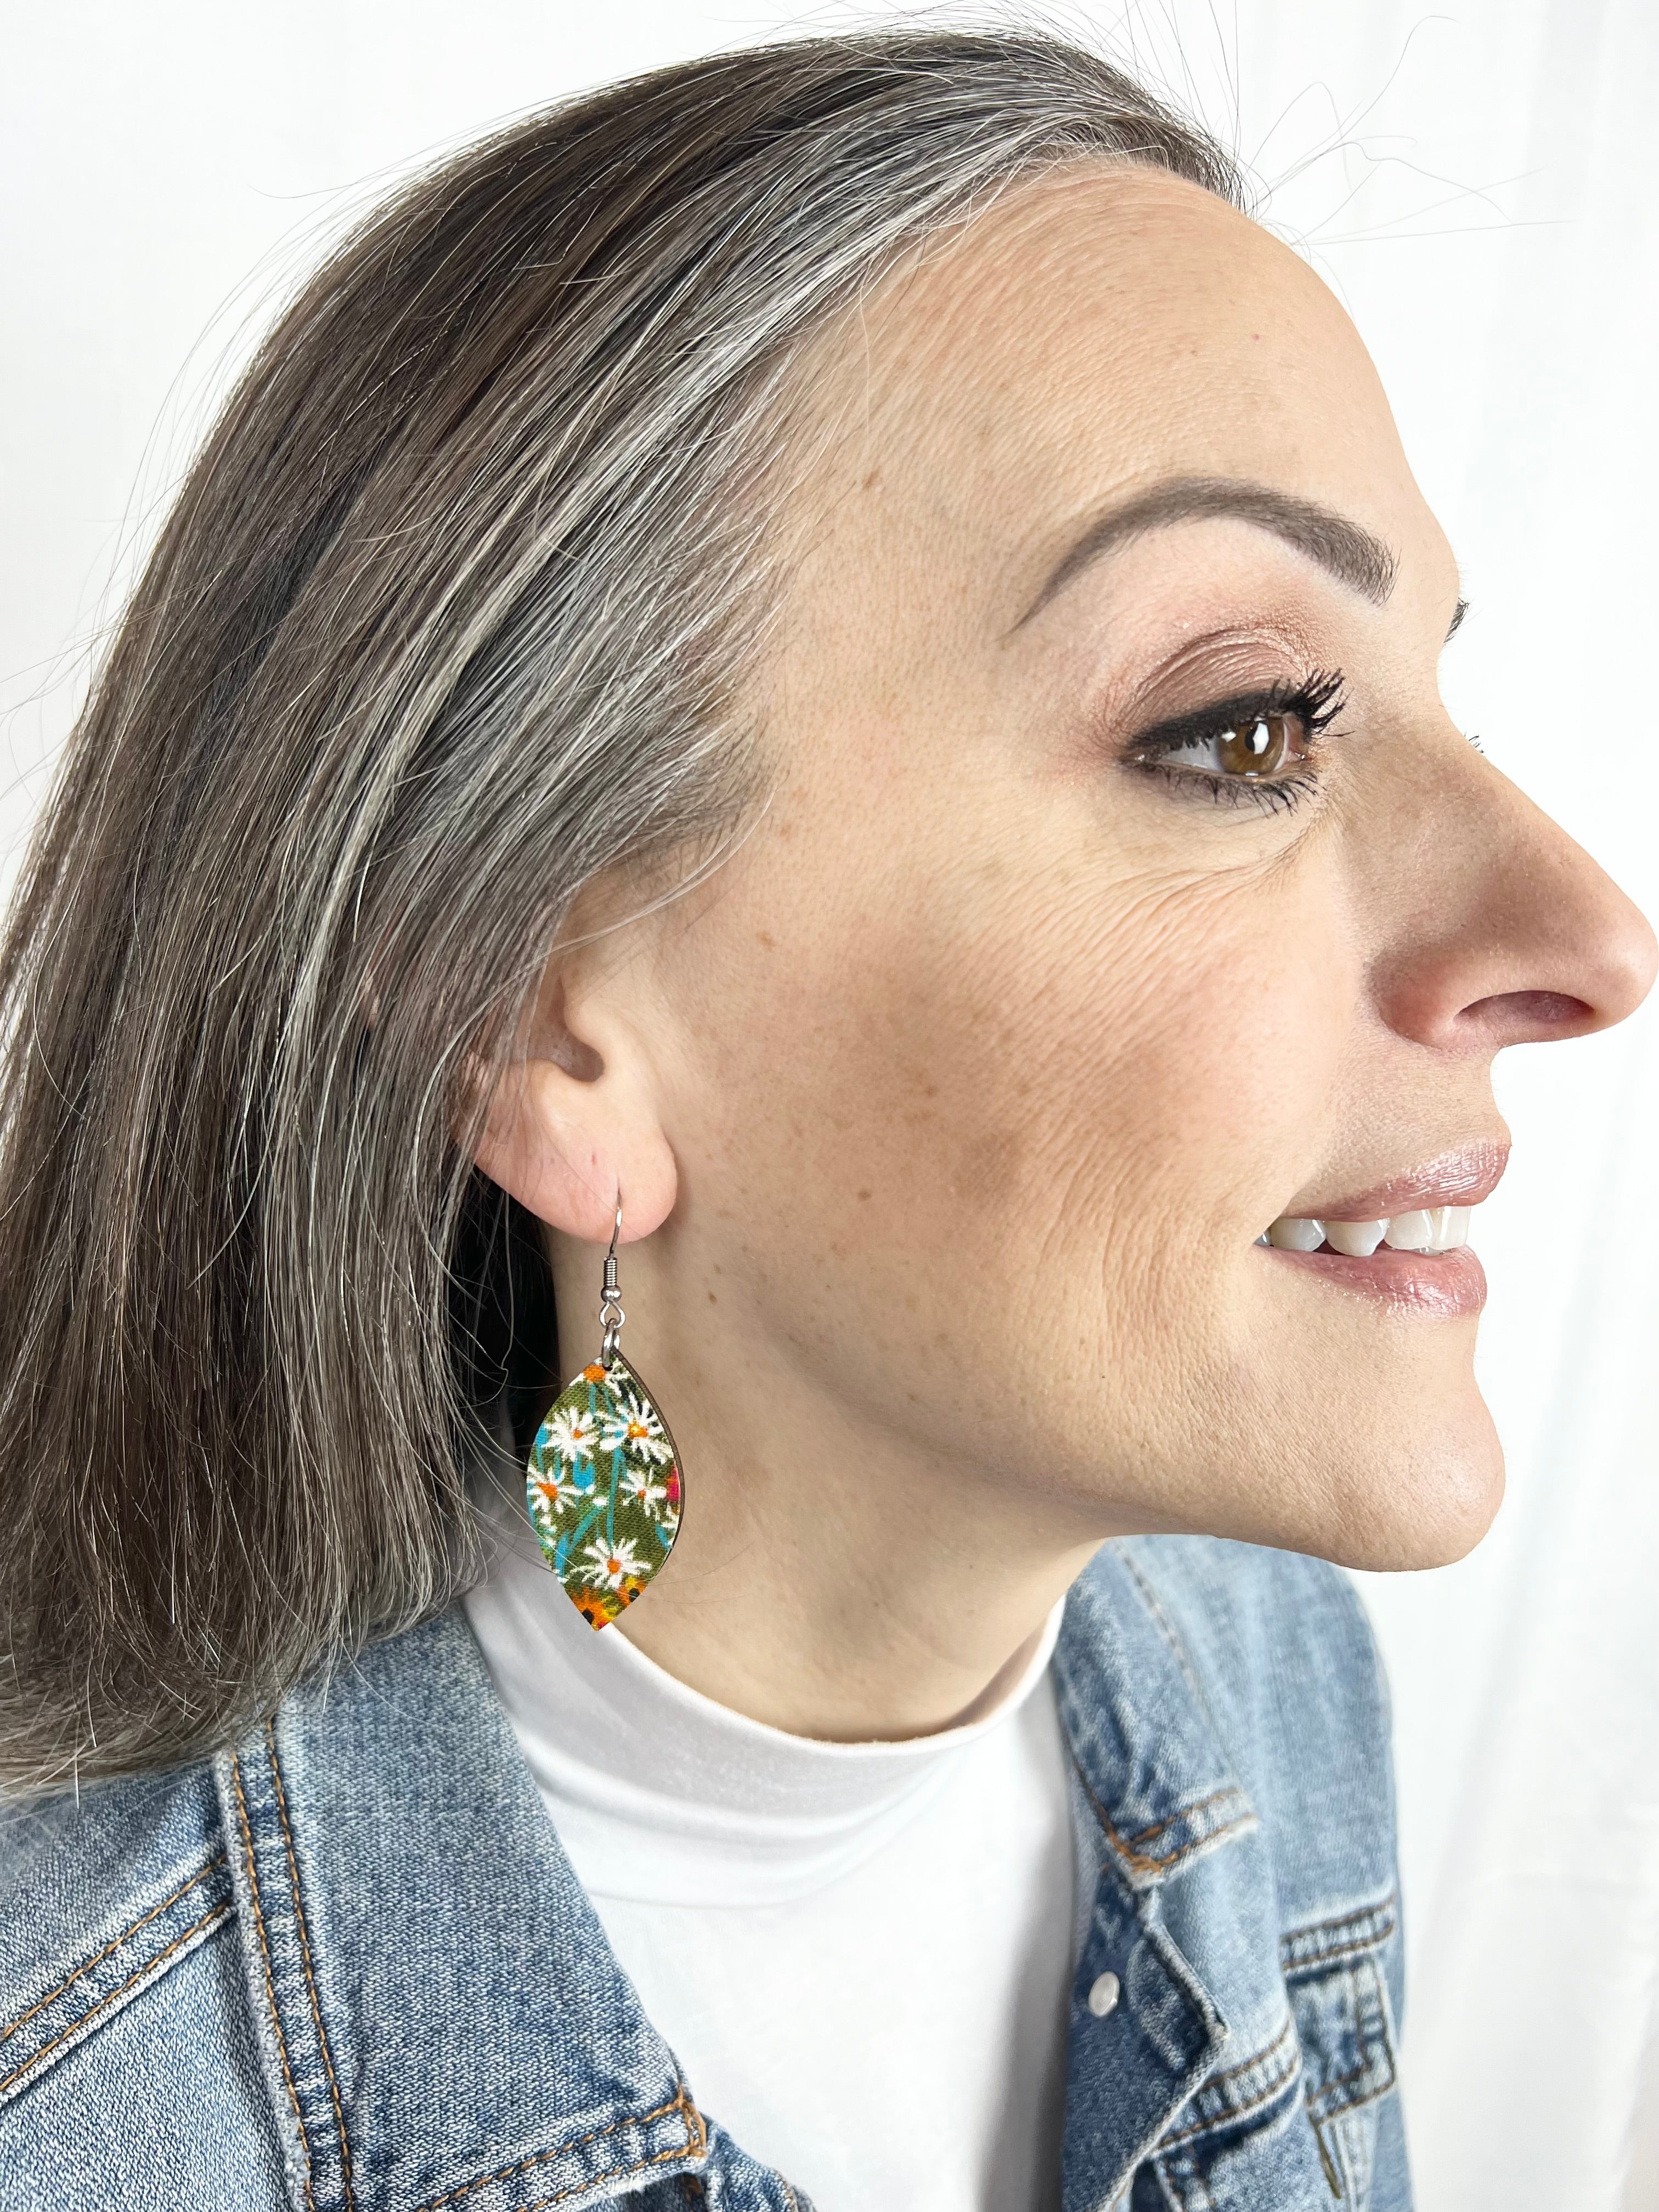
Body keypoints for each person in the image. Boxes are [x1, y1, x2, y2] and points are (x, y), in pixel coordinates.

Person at [0, 26, 1650, 2212]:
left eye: (1432, 681)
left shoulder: (1253, 1663)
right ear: (546, 1030)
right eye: (1247, 729)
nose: (1588, 934)